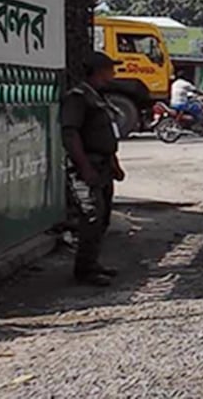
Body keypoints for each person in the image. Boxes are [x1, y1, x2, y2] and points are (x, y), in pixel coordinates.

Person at [61, 52, 126, 286]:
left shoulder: (98, 97)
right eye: (110, 69)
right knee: (91, 216)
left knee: (103, 216)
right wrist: (84, 167)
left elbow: (106, 135)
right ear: (99, 71)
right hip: (87, 166)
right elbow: (70, 134)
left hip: (103, 165)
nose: (113, 74)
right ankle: (84, 270)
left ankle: (92, 263)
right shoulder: (78, 98)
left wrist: (115, 164)